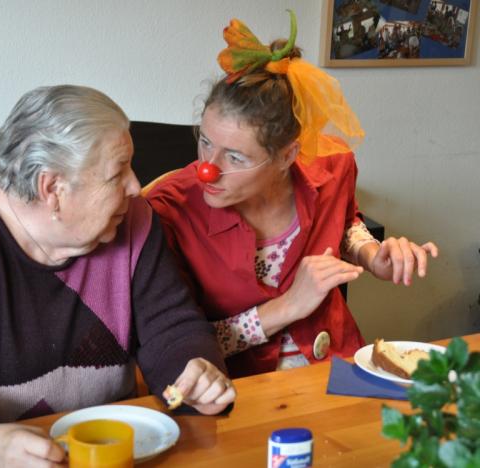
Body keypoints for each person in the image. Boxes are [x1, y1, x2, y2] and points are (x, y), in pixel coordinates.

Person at [0, 85, 235, 468]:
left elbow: (173, 328)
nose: (136, 186)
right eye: (118, 172)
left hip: (108, 453)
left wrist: (194, 370)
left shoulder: (134, 221)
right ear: (52, 188)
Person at [146, 12, 438, 378]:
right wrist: (289, 306)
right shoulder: (167, 211)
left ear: (287, 156)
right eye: (205, 141)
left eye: (235, 157)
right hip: (237, 386)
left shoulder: (334, 166)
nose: (208, 168)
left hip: (337, 366)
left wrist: (371, 254)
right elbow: (174, 346)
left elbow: (345, 224)